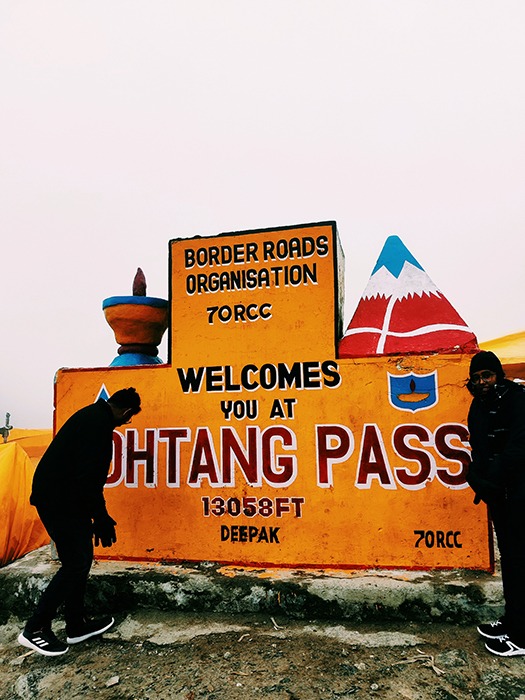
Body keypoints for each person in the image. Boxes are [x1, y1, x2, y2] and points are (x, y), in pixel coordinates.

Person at [18, 387, 141, 657]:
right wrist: (102, 517)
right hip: (59, 501)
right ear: (127, 412)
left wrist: (96, 516)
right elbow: (89, 480)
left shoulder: (92, 415)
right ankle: (36, 628)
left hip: (65, 499)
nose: (125, 423)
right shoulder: (99, 426)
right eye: (128, 419)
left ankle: (76, 625)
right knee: (76, 563)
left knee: (81, 559)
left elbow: (84, 479)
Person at [466, 351, 525, 657]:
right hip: (499, 496)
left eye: (486, 375)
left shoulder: (518, 399)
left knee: (521, 562)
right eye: (476, 378)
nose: (481, 382)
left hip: (520, 493)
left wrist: (493, 475)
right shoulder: (477, 407)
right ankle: (513, 621)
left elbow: (519, 448)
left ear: (498, 375)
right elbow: (478, 449)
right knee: (511, 563)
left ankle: (522, 636)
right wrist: (476, 476)